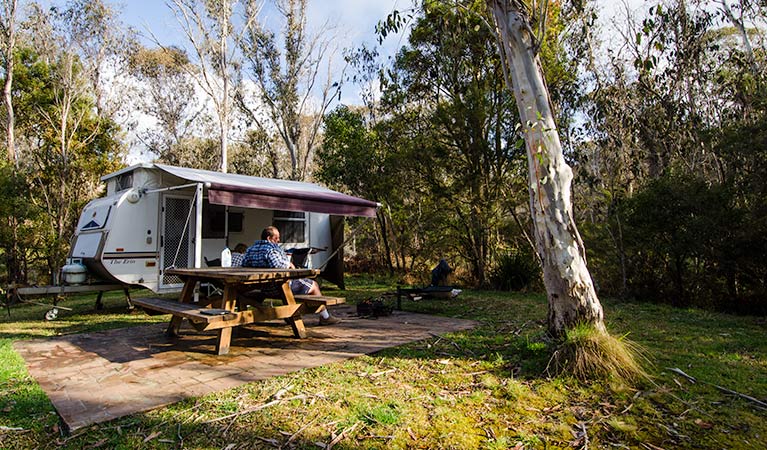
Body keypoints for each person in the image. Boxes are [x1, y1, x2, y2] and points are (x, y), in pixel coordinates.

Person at [242, 226, 341, 325]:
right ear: (269, 238)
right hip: (277, 287)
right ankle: (325, 317)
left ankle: (291, 316)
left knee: (295, 286)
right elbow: (278, 266)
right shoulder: (271, 250)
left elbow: (244, 264)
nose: (279, 240)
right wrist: (289, 264)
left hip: (262, 288)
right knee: (314, 285)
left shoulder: (250, 250)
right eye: (277, 238)